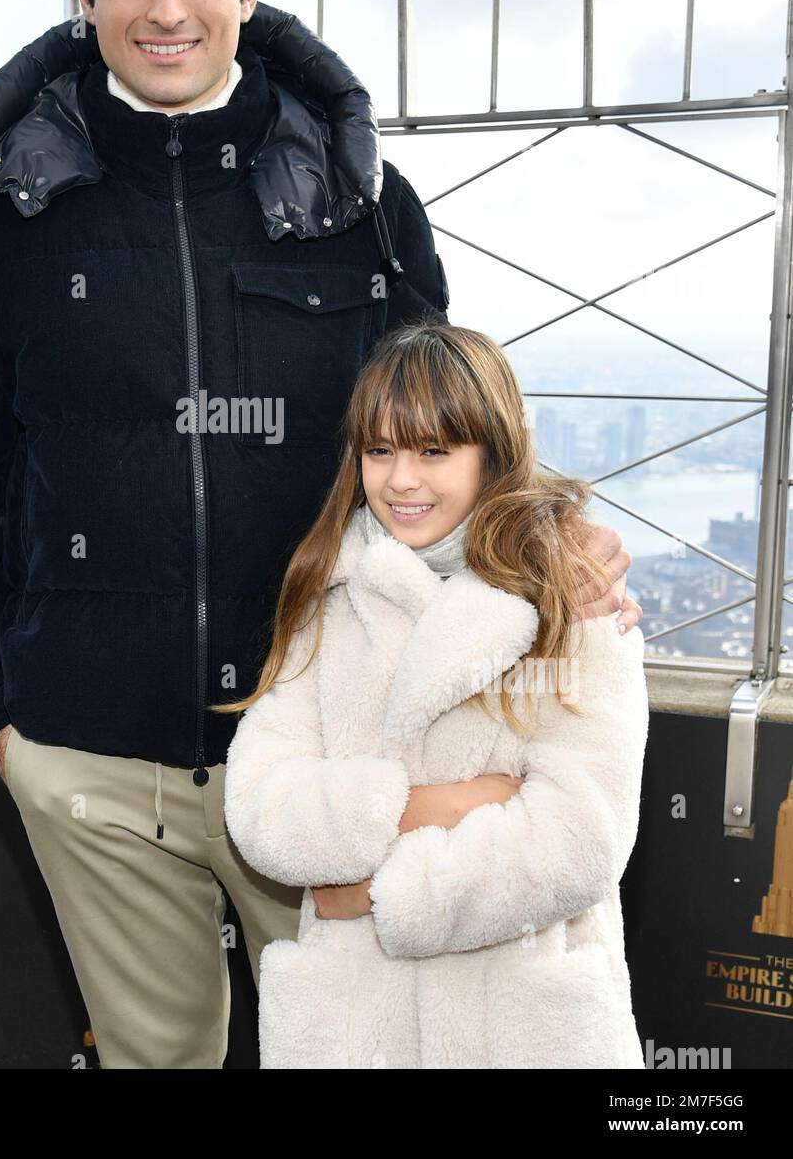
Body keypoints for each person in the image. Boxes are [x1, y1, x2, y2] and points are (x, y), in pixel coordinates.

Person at [0, 0, 641, 1069]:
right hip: (87, 762)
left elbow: (443, 435)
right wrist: (1, 724)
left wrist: (553, 532)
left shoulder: (361, 207)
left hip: (333, 756)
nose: (164, 8)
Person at [221, 320, 650, 1069]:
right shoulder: (329, 594)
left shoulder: (575, 603)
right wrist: (461, 802)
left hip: (519, 1030)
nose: (401, 480)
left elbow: (579, 840)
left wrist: (379, 894)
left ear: (492, 453)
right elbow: (262, 807)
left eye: (433, 450)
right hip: (356, 1029)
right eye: (380, 450)